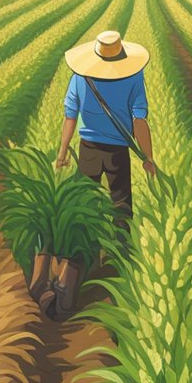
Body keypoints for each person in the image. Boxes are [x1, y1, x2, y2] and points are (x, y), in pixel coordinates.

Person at [55, 30, 157, 233]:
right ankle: (119, 256)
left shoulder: (80, 76)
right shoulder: (134, 77)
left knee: (86, 204)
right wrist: (148, 158)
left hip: (88, 150)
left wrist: (62, 153)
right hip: (117, 153)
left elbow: (70, 116)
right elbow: (139, 121)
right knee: (121, 207)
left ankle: (85, 251)